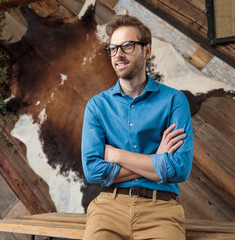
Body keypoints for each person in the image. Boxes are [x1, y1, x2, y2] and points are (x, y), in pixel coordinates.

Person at [81, 14, 194, 240]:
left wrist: (115, 155)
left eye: (128, 46)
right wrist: (157, 160)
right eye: (113, 48)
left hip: (160, 210)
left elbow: (179, 169)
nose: (118, 55)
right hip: (108, 208)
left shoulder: (174, 100)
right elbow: (92, 170)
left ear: (147, 51)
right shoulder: (97, 106)